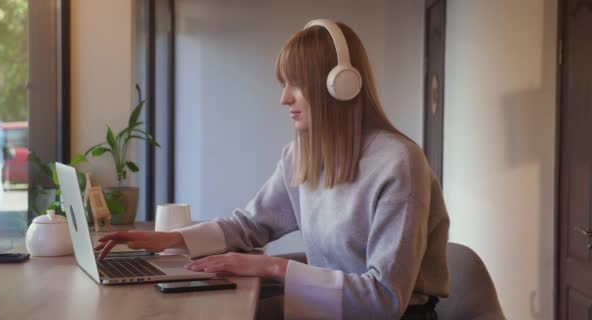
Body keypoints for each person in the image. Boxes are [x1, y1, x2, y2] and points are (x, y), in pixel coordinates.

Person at [96, 19, 449, 319]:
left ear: (340, 85)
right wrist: (172, 239)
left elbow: (384, 300)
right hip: (329, 307)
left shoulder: (398, 162)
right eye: (284, 85)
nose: (285, 99)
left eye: (296, 84)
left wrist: (271, 267)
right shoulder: (303, 155)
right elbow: (251, 224)